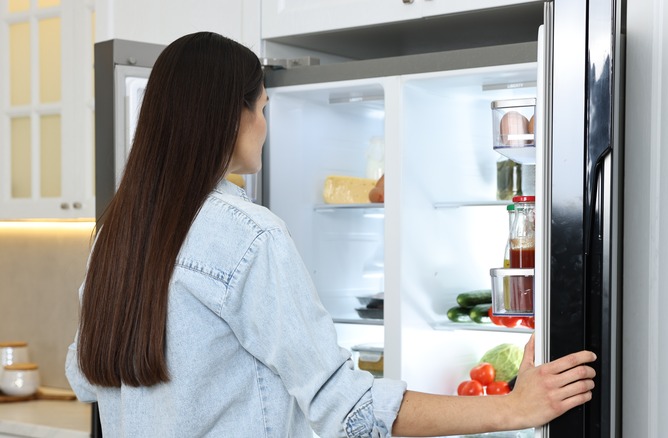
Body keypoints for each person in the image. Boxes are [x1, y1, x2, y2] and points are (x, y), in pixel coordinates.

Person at [65, 31, 596, 437]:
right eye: (264, 108)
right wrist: (513, 407)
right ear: (234, 115)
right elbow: (348, 409)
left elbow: (85, 378)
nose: (266, 126)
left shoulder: (116, 236)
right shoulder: (250, 237)